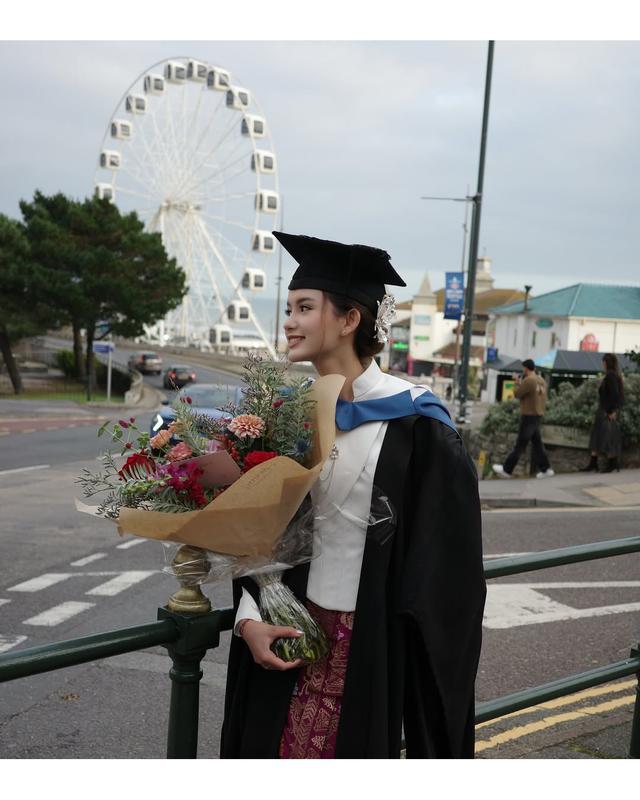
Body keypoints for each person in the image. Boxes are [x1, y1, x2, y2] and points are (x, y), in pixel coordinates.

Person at [220, 232, 486, 759]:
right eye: (289, 308)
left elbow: (448, 581)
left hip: (364, 652)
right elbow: (259, 540)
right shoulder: (287, 417)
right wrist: (248, 619)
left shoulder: (418, 427)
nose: (288, 321)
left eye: (304, 307)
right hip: (282, 639)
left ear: (349, 319)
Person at [492, 358, 554, 479]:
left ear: (526, 368)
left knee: (520, 444)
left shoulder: (529, 380)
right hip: (537, 415)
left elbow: (517, 394)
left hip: (528, 415)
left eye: (523, 368)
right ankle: (546, 469)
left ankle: (507, 469)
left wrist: (516, 381)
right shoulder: (541, 380)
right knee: (537, 444)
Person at [579, 353, 624, 473]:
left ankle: (612, 463)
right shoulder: (612, 376)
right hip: (605, 410)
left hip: (606, 411)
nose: (602, 364)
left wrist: (612, 411)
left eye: (603, 362)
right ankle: (594, 462)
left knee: (606, 436)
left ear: (606, 363)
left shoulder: (611, 376)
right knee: (598, 435)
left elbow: (615, 395)